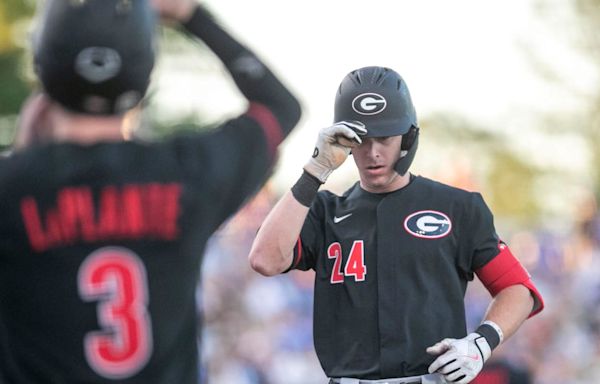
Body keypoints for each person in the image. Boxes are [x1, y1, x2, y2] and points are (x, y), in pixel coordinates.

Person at [0, 0, 301, 382]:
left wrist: (25, 157)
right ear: (143, 74)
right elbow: (280, 107)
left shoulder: (12, 187)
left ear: (45, 68)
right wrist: (191, 16)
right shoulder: (186, 174)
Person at [248, 66, 544, 384]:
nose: (373, 152)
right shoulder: (324, 211)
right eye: (361, 139)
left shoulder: (458, 207)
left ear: (408, 136)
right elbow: (265, 259)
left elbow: (518, 289)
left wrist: (482, 342)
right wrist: (314, 171)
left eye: (385, 138)